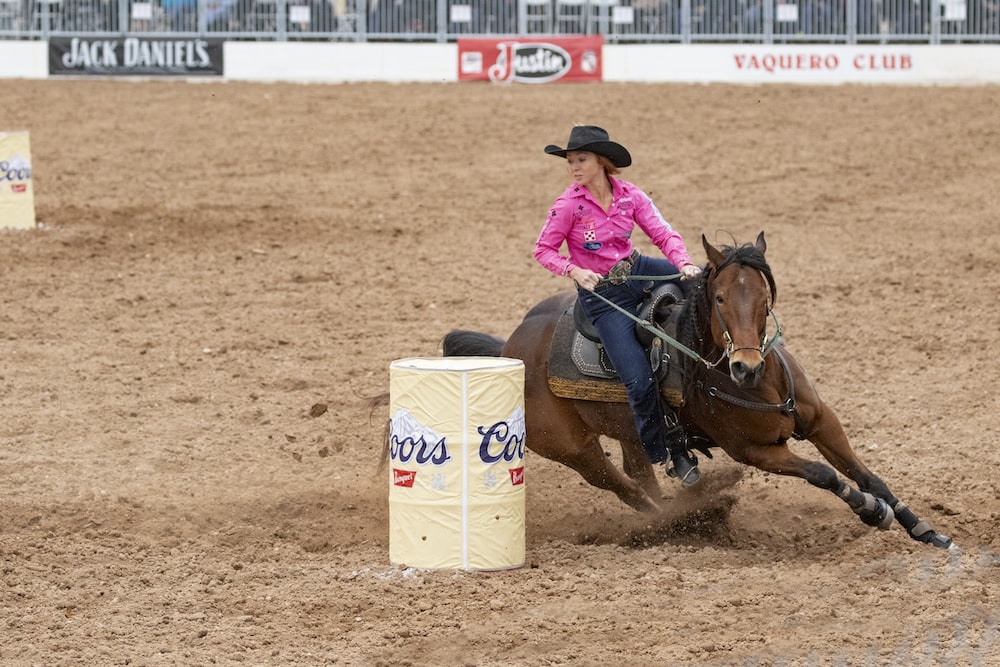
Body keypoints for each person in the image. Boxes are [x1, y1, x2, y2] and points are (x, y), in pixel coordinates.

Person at [533, 124, 703, 487]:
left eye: (581, 159)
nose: (574, 167)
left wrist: (683, 263)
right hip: (604, 298)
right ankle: (667, 451)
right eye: (570, 161)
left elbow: (662, 232)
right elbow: (543, 250)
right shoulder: (568, 205)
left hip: (637, 271)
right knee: (639, 381)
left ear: (602, 162)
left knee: (703, 281)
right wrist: (574, 270)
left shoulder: (630, 195)